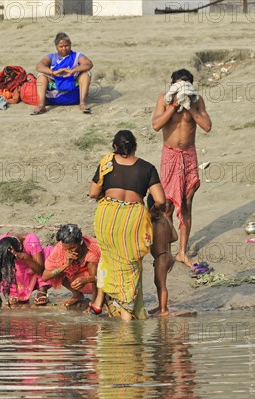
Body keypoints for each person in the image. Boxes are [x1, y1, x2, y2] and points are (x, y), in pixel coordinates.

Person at [89, 130, 168, 321]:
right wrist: (154, 212)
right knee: (130, 263)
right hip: (134, 216)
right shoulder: (147, 167)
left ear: (115, 147)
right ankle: (126, 313)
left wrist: (107, 197)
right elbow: (160, 200)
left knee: (108, 257)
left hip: (107, 214)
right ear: (135, 147)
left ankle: (99, 303)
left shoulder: (106, 162)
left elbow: (93, 193)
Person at [152, 68, 212, 275]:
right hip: (169, 156)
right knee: (167, 204)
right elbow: (156, 125)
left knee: (186, 203)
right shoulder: (164, 100)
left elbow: (207, 126)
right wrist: (174, 106)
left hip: (188, 156)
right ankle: (166, 250)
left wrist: (191, 108)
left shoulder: (197, 100)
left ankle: (182, 251)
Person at [0, 232, 52, 308]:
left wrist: (25, 258)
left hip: (33, 271)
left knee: (50, 252)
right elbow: (0, 273)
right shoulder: (2, 244)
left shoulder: (31, 241)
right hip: (15, 275)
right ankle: (13, 294)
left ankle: (42, 290)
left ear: (20, 246)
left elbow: (40, 270)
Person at [32, 32, 93, 115]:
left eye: (66, 46)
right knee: (41, 75)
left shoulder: (77, 55)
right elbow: (39, 66)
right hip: (55, 89)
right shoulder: (51, 56)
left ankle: (82, 103)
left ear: (70, 45)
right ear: (56, 47)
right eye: (61, 46)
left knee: (86, 73)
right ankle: (42, 104)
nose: (64, 48)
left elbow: (88, 64)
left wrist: (73, 71)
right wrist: (53, 72)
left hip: (73, 88)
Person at [42, 224, 100, 309]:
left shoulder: (93, 248)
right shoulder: (60, 249)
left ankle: (95, 301)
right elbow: (45, 276)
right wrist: (65, 265)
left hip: (97, 281)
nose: (69, 251)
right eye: (66, 248)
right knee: (57, 271)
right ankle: (77, 295)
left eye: (72, 248)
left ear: (80, 242)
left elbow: (105, 275)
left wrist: (86, 279)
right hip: (75, 281)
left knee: (92, 262)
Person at [147, 194, 178, 316]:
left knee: (161, 284)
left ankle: (163, 310)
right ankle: (161, 306)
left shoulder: (151, 220)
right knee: (158, 282)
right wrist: (164, 240)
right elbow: (175, 237)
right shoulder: (166, 219)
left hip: (161, 257)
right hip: (168, 255)